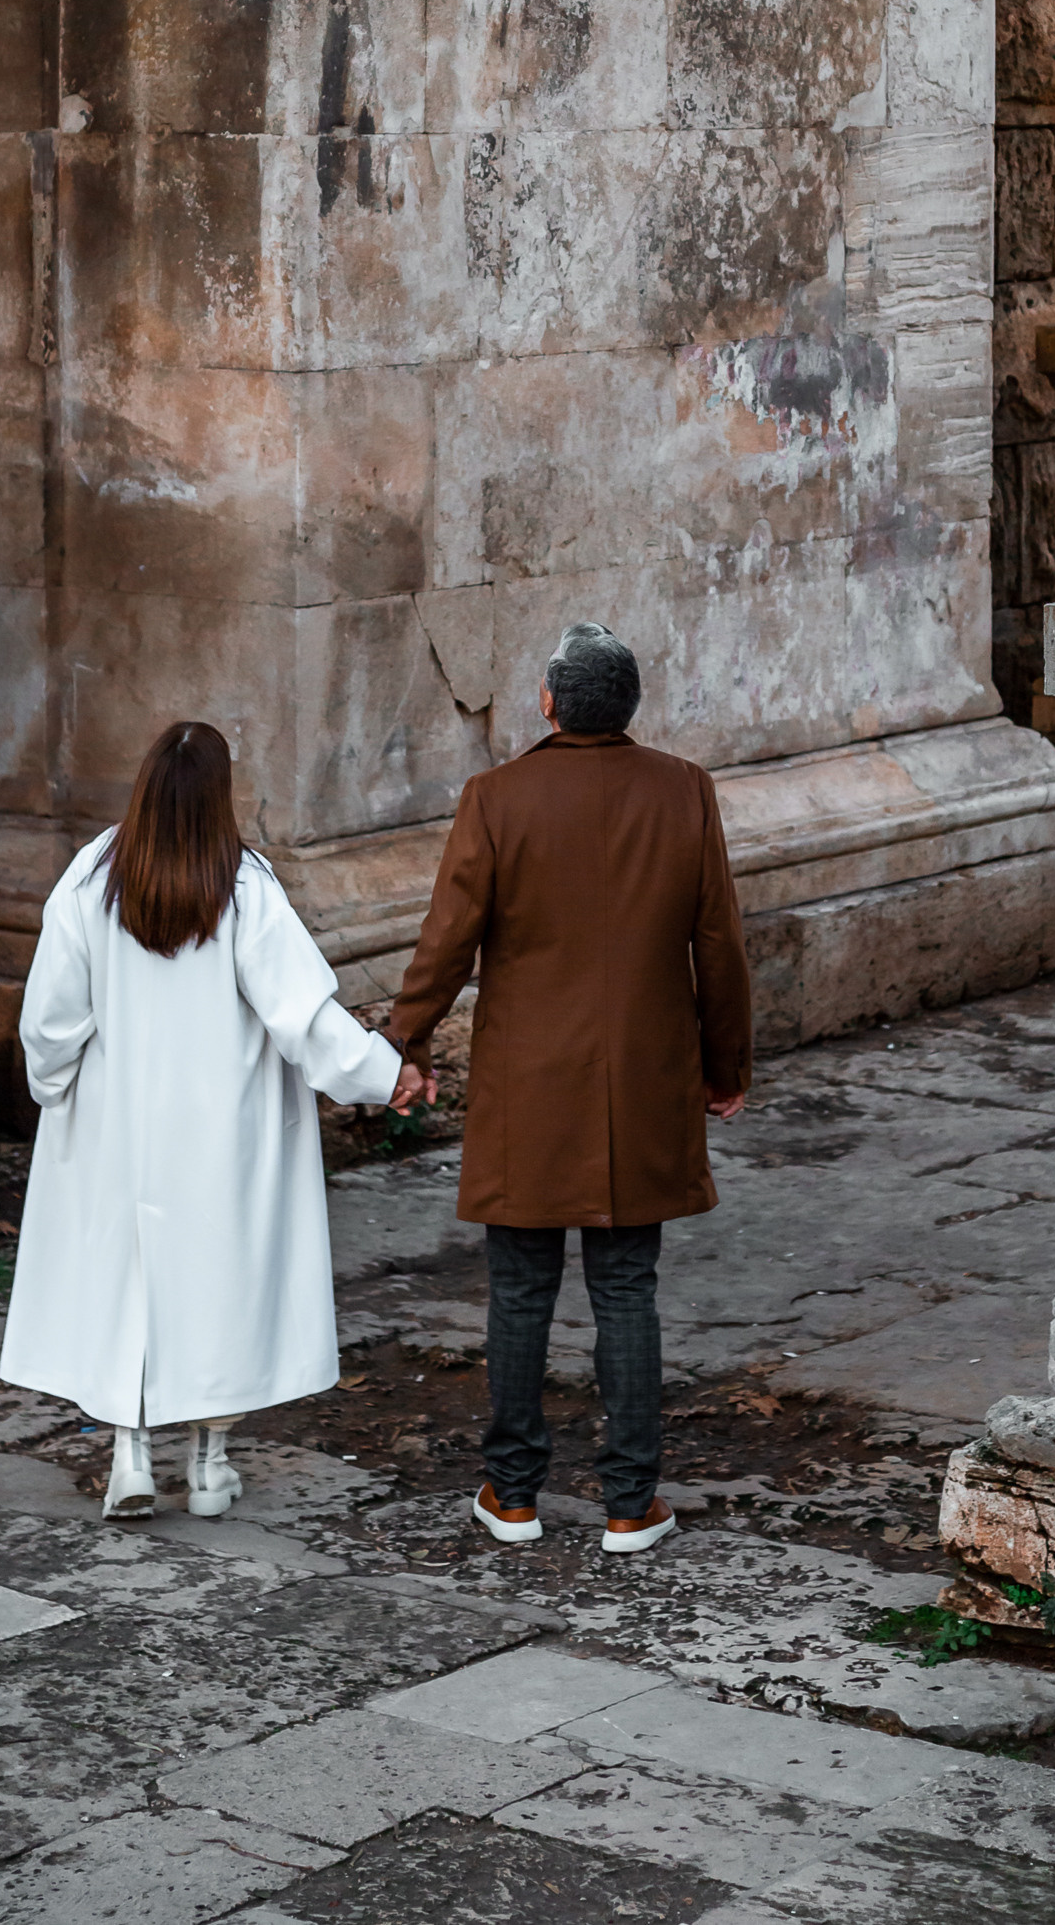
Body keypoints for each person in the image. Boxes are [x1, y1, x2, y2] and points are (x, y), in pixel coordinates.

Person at [0, 719, 429, 1519]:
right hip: (223, 1129)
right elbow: (304, 1017)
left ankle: (129, 1457)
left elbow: (50, 1019)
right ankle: (208, 1464)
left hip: (115, 1123)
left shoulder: (91, 877)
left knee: (125, 1284)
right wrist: (382, 1073)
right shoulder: (244, 886)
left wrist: (54, 1090)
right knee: (219, 1283)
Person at [386, 621, 754, 1557]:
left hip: (528, 1087)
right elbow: (718, 946)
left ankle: (512, 1495)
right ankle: (630, 1502)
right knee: (627, 1286)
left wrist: (403, 1041)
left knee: (519, 1289)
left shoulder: (495, 798)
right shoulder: (684, 790)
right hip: (643, 1080)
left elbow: (447, 940)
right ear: (627, 706)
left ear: (547, 703)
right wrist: (725, 1068)